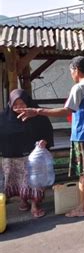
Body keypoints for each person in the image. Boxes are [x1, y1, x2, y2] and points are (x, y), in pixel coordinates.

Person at [18, 56, 84, 217]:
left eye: (71, 71)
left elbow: (67, 111)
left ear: (76, 70)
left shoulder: (79, 88)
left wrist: (38, 111)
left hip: (83, 136)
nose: (71, 75)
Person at [0, 89, 54, 218]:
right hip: (10, 157)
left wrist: (44, 141)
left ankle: (35, 205)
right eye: (15, 104)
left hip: (32, 157)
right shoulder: (3, 118)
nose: (19, 108)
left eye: (22, 104)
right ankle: (23, 200)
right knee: (17, 181)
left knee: (33, 181)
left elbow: (47, 132)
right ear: (10, 104)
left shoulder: (38, 116)